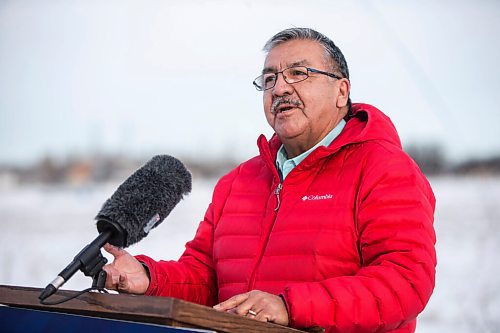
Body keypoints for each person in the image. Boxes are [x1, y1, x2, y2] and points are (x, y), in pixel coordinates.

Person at [103, 28, 436, 333]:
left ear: (341, 90)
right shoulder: (237, 182)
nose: (279, 88)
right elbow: (206, 279)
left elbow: (405, 282)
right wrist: (148, 278)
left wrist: (289, 307)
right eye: (269, 78)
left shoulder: (384, 168)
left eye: (298, 73)